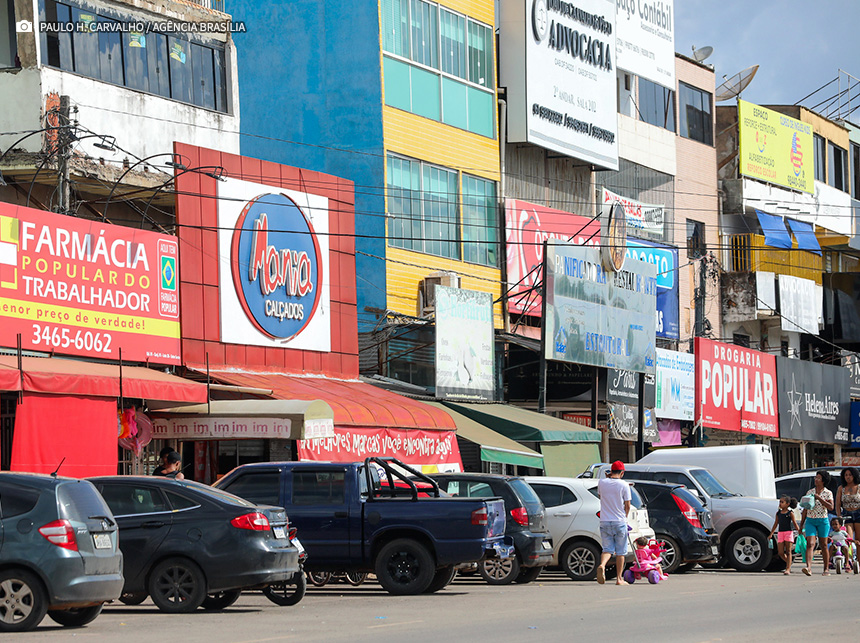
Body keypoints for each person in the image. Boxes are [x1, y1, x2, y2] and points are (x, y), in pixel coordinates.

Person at [596, 460, 631, 586]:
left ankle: (602, 565)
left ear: (611, 471)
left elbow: (601, 496)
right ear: (622, 473)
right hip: (619, 521)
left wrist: (607, 479)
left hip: (605, 521)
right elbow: (627, 504)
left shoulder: (602, 482)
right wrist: (625, 516)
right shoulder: (624, 485)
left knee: (607, 549)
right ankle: (619, 579)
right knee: (621, 552)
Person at [799, 470, 834, 576]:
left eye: (818, 478)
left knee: (824, 544)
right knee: (810, 543)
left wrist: (819, 498)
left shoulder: (828, 493)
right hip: (810, 520)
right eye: (816, 477)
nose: (816, 479)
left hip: (822, 520)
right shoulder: (810, 492)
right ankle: (808, 567)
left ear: (823, 480)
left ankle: (826, 568)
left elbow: (831, 507)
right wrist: (801, 524)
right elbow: (805, 509)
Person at [767, 495, 800, 575]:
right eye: (780, 502)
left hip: (788, 533)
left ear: (787, 504)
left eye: (782, 502)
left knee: (788, 551)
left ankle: (788, 568)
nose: (780, 504)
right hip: (780, 533)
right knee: (780, 553)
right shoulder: (778, 513)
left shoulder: (790, 513)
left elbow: (795, 523)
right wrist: (771, 533)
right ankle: (789, 563)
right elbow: (776, 524)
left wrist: (799, 531)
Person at [835, 466, 860, 541]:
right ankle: (850, 549)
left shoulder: (858, 487)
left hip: (858, 513)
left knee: (858, 538)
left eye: (850, 475)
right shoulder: (841, 488)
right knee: (849, 538)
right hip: (847, 514)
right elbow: (838, 503)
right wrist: (839, 515)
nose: (848, 477)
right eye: (846, 475)